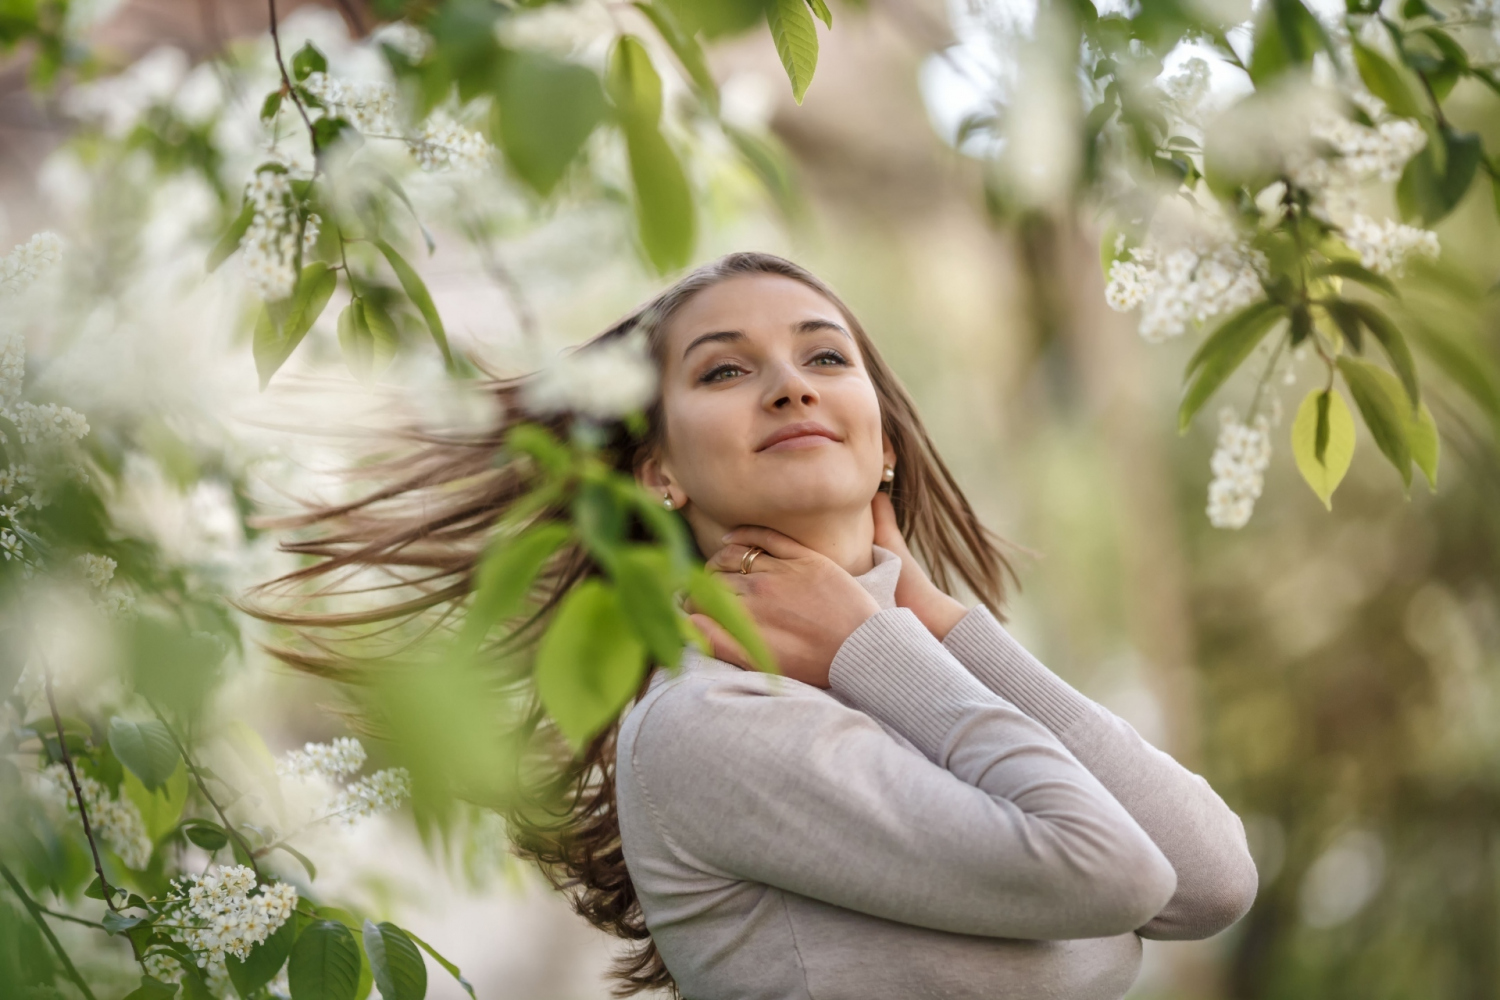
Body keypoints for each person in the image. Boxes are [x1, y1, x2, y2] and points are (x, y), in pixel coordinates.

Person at [246, 252, 1258, 1000]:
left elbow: (1209, 878)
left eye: (825, 355)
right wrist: (879, 643)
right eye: (724, 371)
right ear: (660, 472)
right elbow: (1118, 872)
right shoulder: (708, 722)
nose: (790, 382)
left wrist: (926, 616)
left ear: (887, 449)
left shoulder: (899, 672)